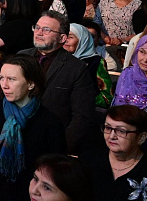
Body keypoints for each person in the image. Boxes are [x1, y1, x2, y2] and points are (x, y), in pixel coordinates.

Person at [0, 55, 66, 201]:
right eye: (1, 78)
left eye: (12, 79)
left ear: (31, 84)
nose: (4, 85)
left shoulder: (50, 122)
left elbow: (55, 170)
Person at [19, 10, 97, 153]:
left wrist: (61, 147)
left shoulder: (76, 68)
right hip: (16, 139)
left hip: (51, 144)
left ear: (62, 38)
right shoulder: (21, 57)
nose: (39, 32)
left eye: (46, 29)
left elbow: (82, 116)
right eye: (37, 27)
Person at [112, 34, 147, 161]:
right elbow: (115, 109)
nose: (145, 59)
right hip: (121, 145)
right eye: (142, 52)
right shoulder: (127, 74)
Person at [65, 23, 114, 108]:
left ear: (82, 40)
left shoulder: (96, 62)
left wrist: (81, 97)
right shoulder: (58, 59)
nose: (65, 40)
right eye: (64, 36)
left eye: (70, 37)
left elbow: (107, 99)